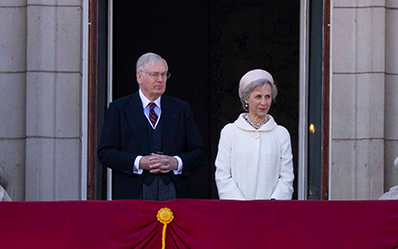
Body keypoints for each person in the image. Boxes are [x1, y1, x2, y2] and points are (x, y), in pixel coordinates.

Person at [98, 52, 208, 201]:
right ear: (139, 77)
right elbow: (105, 153)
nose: (160, 80)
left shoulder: (181, 108)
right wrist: (139, 162)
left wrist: (175, 163)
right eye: (154, 74)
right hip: (132, 194)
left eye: (164, 74)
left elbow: (199, 153)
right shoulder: (119, 108)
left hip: (174, 192)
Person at [213, 69, 295, 200]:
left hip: (272, 213)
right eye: (258, 96)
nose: (264, 102)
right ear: (246, 98)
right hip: (238, 212)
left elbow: (286, 177)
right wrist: (242, 206)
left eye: (267, 97)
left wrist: (273, 204)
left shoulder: (281, 134)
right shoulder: (230, 132)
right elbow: (223, 175)